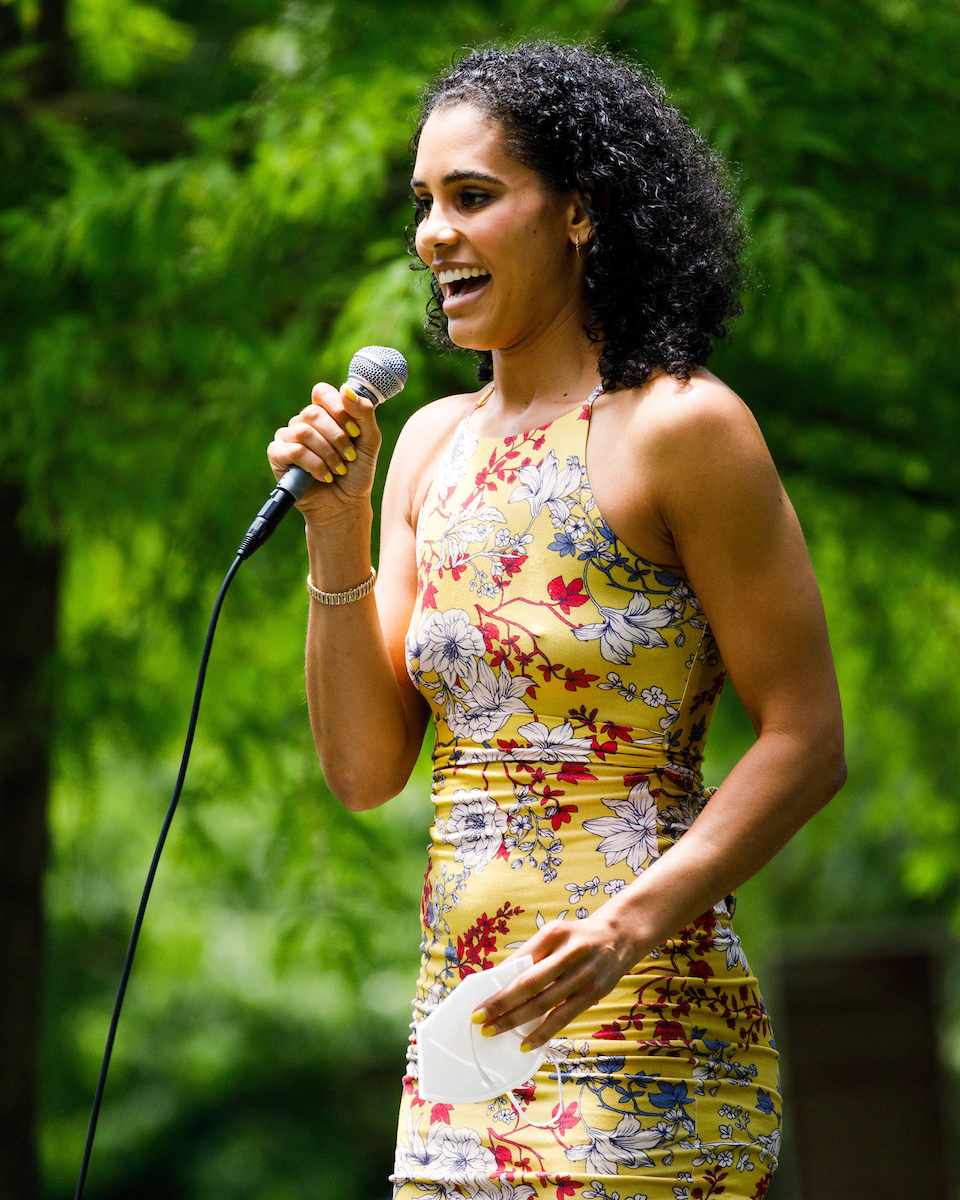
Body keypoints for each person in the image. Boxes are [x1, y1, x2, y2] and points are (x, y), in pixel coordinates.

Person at [267, 42, 845, 1200]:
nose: (435, 233)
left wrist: (624, 930)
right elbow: (369, 768)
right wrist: (337, 527)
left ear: (579, 212)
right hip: (461, 1050)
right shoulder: (429, 444)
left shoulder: (680, 425)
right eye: (424, 203)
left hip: (645, 1034)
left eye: (473, 197)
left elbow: (807, 740)